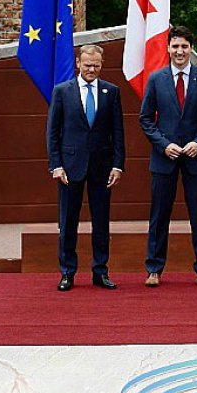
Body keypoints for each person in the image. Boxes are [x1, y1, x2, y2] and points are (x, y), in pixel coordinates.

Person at [139, 25, 197, 288]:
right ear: (168, 48)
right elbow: (145, 119)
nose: (180, 51)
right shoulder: (156, 79)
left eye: (184, 46)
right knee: (159, 215)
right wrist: (164, 145)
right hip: (164, 158)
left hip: (196, 158)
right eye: (175, 46)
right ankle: (154, 269)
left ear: (191, 49)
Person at [46, 44, 125, 291]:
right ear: (78, 63)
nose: (91, 69)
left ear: (102, 65)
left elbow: (118, 132)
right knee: (68, 221)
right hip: (70, 168)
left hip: (102, 167)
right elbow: (53, 132)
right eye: (87, 64)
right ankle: (67, 272)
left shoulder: (111, 92)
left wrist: (118, 165)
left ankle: (100, 271)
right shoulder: (62, 91)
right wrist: (56, 165)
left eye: (96, 65)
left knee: (101, 222)